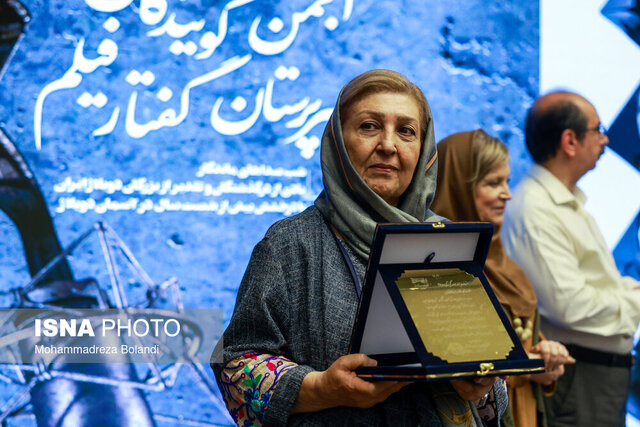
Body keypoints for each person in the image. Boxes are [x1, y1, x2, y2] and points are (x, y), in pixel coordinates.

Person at [211, 70, 508, 426]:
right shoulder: (292, 243)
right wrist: (322, 388)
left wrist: (478, 384)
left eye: (406, 131)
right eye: (369, 126)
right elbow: (236, 364)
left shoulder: (446, 244)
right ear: (338, 141)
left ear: (424, 149)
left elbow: (491, 383)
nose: (388, 145)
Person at [502, 91, 640, 427]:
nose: (605, 139)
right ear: (570, 141)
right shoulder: (535, 209)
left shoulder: (565, 201)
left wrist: (627, 294)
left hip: (596, 377)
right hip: (579, 378)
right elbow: (569, 304)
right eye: (598, 130)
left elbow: (598, 283)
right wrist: (635, 303)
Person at [430, 129, 575, 427]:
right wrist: (528, 366)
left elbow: (528, 345)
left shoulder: (507, 266)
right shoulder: (437, 269)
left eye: (507, 181)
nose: (507, 194)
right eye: (493, 183)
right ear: (457, 187)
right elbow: (452, 366)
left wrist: (549, 357)